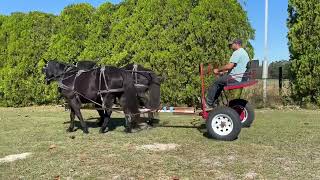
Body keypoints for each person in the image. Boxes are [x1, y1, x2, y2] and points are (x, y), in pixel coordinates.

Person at [206, 39, 250, 108]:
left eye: (231, 45)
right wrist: (223, 72)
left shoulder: (237, 52)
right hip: (240, 78)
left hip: (235, 78)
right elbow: (237, 67)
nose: (230, 46)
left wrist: (217, 70)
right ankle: (214, 102)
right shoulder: (244, 53)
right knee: (220, 82)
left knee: (216, 82)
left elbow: (229, 66)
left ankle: (208, 103)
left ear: (236, 44)